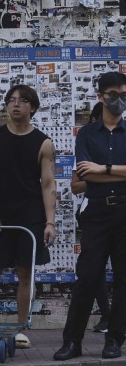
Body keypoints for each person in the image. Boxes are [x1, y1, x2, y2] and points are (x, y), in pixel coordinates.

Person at [0, 84, 56, 351]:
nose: (15, 105)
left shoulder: (43, 143)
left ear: (33, 107)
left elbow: (48, 184)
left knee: (25, 274)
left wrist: (50, 221)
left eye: (22, 101)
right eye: (11, 100)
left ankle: (21, 329)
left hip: (30, 216)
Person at [56, 73, 126, 360]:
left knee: (123, 280)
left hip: (124, 211)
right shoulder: (86, 133)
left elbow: (96, 172)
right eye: (112, 93)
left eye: (123, 92)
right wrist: (112, 171)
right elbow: (84, 173)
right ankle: (72, 342)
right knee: (87, 277)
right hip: (96, 212)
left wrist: (104, 169)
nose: (118, 99)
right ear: (100, 97)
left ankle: (115, 341)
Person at [67, 103, 111, 337]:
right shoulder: (86, 144)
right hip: (93, 211)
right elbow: (75, 186)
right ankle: (105, 316)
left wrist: (102, 171)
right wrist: (107, 175)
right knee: (94, 269)